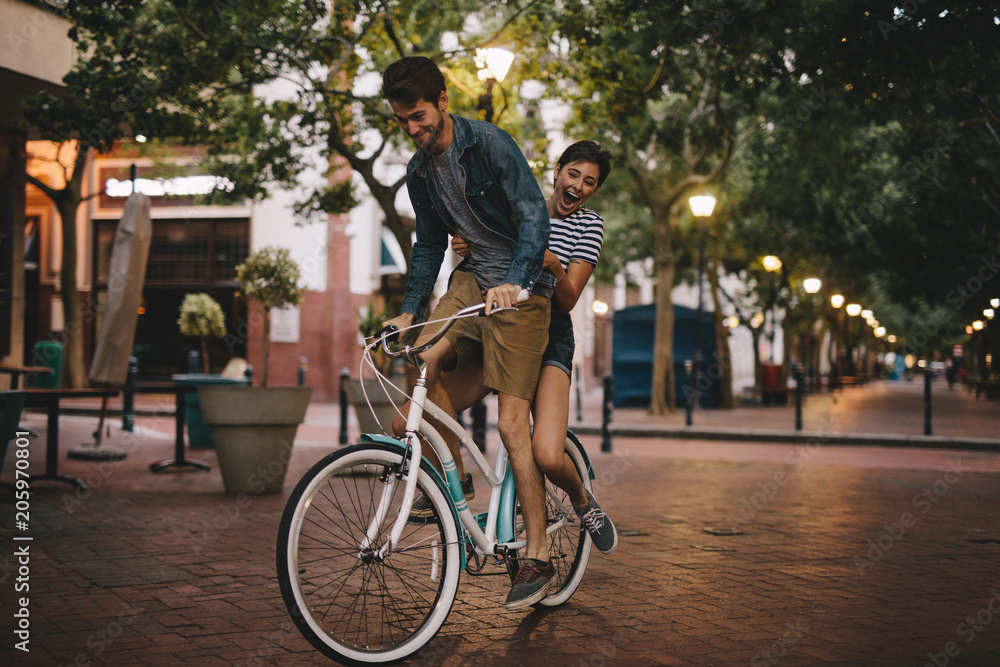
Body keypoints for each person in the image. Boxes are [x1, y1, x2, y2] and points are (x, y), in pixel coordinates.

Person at [379, 56, 557, 610]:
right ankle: (456, 484)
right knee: (420, 375)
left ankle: (540, 550)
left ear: (443, 101)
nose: (413, 128)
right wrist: (410, 311)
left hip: (519, 294)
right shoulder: (417, 171)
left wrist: (517, 281)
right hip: (469, 283)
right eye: (402, 120)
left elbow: (533, 216)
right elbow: (430, 244)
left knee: (510, 424)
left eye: (419, 116)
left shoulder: (491, 144)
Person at [449, 141, 618, 556]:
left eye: (589, 182)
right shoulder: (520, 209)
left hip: (552, 333)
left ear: (594, 191)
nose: (578, 186)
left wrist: (554, 264)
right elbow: (485, 251)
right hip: (502, 325)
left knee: (547, 452)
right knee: (440, 406)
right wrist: (468, 244)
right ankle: (458, 486)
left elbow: (568, 299)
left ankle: (582, 501)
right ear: (557, 171)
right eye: (574, 174)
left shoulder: (588, 226)